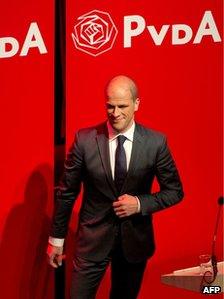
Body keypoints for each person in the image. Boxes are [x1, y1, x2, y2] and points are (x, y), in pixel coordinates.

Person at [47, 75, 184, 299]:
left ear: (137, 104)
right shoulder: (84, 140)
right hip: (92, 240)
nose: (115, 113)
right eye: (110, 106)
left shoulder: (155, 143)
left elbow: (175, 191)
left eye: (122, 106)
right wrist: (56, 240)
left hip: (134, 242)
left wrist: (140, 203)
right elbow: (67, 192)